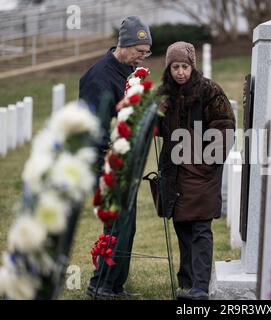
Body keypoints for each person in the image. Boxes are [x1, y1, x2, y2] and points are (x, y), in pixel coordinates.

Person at [79, 16, 152, 300]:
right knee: (117, 221)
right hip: (104, 160)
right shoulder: (98, 76)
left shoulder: (128, 71)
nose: (142, 57)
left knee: (127, 223)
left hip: (124, 160)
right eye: (139, 51)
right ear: (124, 45)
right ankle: (100, 285)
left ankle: (115, 286)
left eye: (146, 53)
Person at [156, 41, 236, 300]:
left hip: (202, 172)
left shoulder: (210, 91)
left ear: (193, 66)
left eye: (184, 66)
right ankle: (188, 279)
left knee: (201, 227)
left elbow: (225, 128)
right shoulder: (166, 95)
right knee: (182, 225)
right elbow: (162, 130)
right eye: (175, 67)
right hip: (175, 172)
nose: (180, 72)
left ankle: (200, 287)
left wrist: (204, 162)